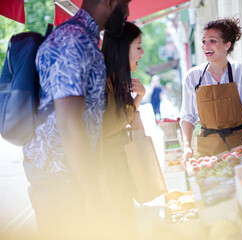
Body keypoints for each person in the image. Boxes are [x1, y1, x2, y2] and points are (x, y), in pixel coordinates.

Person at [21, 0, 130, 238]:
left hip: (70, 176)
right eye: (126, 3)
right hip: (60, 179)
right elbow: (69, 124)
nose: (128, 12)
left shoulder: (86, 39)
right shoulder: (73, 40)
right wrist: (92, 191)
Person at [180, 17, 242, 167]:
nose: (206, 46)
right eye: (204, 41)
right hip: (209, 152)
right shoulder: (193, 77)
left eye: (212, 41)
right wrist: (187, 146)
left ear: (227, 45)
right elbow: (188, 116)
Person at [100, 20, 145, 239]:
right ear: (122, 47)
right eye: (138, 46)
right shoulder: (101, 78)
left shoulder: (115, 78)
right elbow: (109, 124)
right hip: (107, 169)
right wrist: (138, 99)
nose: (142, 52)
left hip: (117, 164)